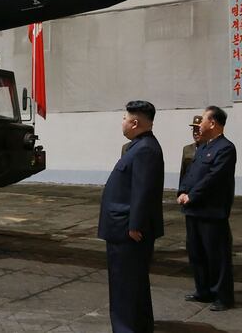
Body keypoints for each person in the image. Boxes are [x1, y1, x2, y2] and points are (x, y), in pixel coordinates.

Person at [98, 100, 164, 333]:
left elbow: (143, 190)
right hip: (125, 227)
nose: (122, 122)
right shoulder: (140, 146)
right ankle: (140, 326)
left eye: (125, 118)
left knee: (124, 285)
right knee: (133, 284)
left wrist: (136, 225)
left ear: (135, 122)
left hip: (128, 230)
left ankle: (127, 328)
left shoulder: (145, 149)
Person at [177, 106, 236, 312]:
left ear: (212, 123)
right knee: (197, 253)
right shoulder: (202, 147)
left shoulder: (225, 148)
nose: (199, 124)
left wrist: (191, 195)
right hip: (193, 210)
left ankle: (223, 296)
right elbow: (191, 173)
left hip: (211, 211)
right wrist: (182, 191)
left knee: (216, 256)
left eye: (202, 120)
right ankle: (203, 290)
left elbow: (214, 179)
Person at [180, 115, 204, 183]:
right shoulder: (187, 149)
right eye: (194, 130)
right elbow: (183, 172)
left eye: (198, 130)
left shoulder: (210, 149)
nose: (195, 133)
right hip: (188, 189)